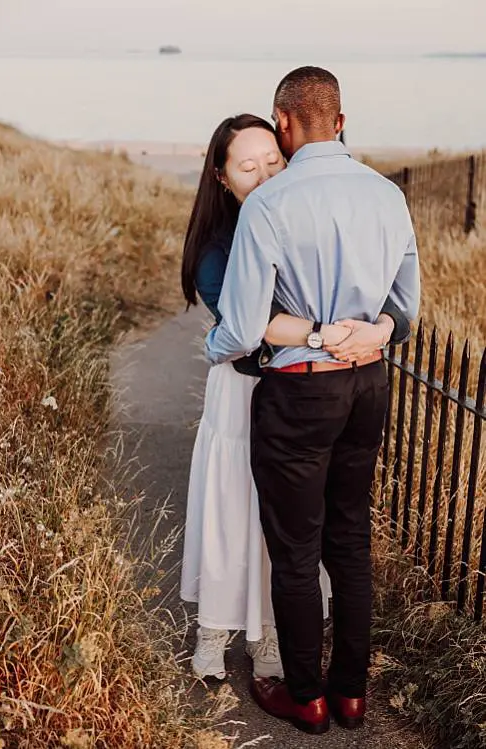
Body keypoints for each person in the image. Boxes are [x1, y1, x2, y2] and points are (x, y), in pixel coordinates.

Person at [206, 67, 420, 734]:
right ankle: (352, 694)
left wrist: (214, 344)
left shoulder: (270, 206)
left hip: (299, 392)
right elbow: (405, 308)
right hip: (367, 384)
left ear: (284, 124)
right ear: (342, 120)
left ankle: (308, 696)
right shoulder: (388, 196)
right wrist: (376, 332)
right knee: (349, 539)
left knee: (296, 552)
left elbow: (242, 329)